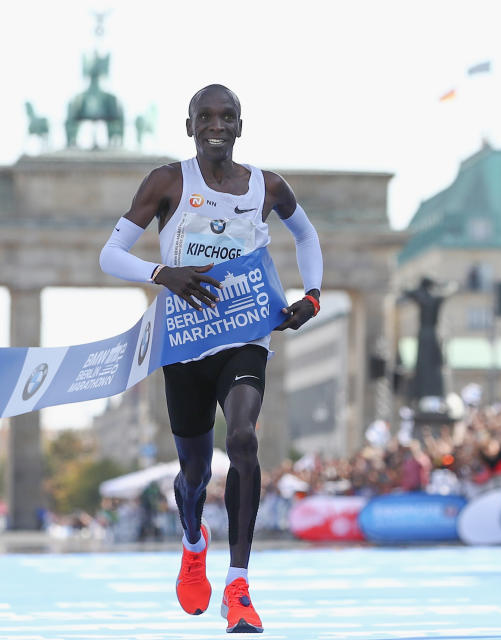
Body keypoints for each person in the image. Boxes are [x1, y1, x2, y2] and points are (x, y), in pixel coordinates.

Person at [99, 84, 323, 633]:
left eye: (227, 117)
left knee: (244, 437)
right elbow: (110, 254)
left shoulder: (267, 185)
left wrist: (312, 293)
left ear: (240, 126)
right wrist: (162, 274)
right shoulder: (167, 181)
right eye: (205, 117)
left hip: (245, 334)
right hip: (185, 343)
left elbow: (306, 233)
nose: (216, 125)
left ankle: (239, 584)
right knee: (194, 472)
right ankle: (193, 541)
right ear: (190, 125)